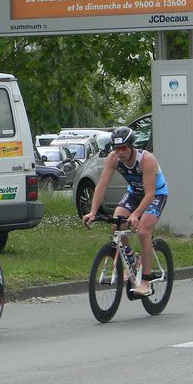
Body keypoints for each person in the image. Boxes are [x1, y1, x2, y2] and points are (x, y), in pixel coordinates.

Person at [81, 125, 168, 296]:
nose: (120, 152)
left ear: (131, 147)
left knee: (143, 231)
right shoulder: (113, 158)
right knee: (117, 222)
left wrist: (136, 214)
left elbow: (150, 193)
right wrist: (92, 211)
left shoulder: (146, 160)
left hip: (156, 194)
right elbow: (101, 186)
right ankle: (132, 259)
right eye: (116, 148)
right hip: (134, 193)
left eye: (123, 148)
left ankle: (145, 281)